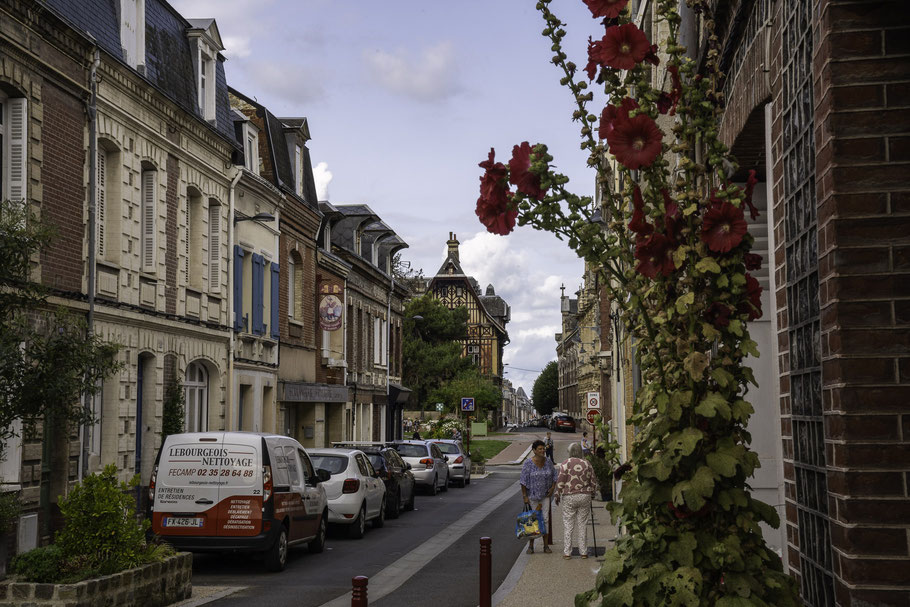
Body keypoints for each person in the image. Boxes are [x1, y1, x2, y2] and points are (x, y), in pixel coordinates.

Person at [555, 442, 597, 559]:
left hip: (569, 496)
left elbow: (561, 481)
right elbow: (593, 480)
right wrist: (592, 493)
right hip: (584, 496)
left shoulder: (565, 464)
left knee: (568, 524)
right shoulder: (587, 463)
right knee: (582, 524)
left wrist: (557, 495)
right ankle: (583, 552)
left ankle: (567, 552)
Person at [520, 439, 558, 554]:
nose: (543, 450)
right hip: (532, 496)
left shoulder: (548, 462)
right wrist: (524, 496)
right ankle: (531, 546)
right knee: (532, 520)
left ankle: (545, 545)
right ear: (534, 451)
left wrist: (552, 488)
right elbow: (523, 481)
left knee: (545, 519)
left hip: (545, 495)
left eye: (543, 448)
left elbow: (554, 476)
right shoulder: (528, 463)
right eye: (540, 449)